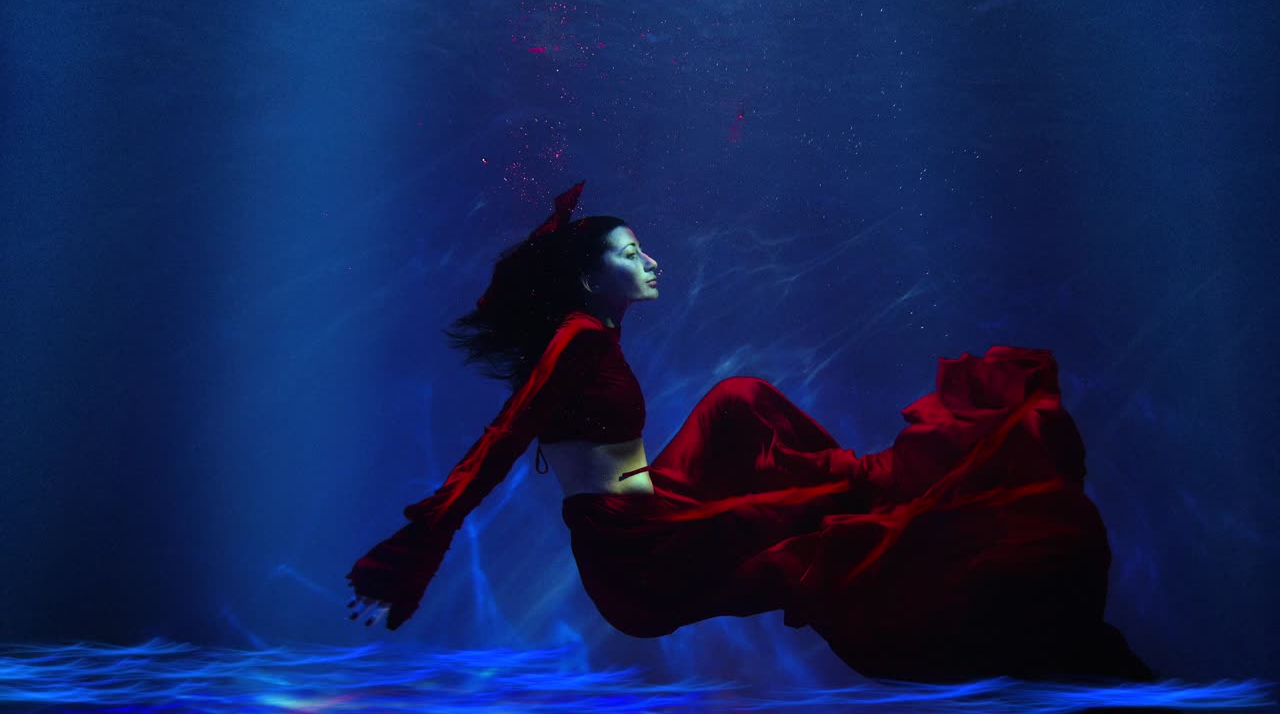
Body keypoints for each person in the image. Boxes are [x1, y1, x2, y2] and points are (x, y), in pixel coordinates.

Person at [344, 180, 1156, 684]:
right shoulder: (578, 339)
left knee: (737, 399)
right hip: (638, 558)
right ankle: (1020, 615)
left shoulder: (595, 332)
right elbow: (505, 436)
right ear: (594, 277)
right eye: (633, 252)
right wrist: (425, 541)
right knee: (823, 532)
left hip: (655, 507)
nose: (652, 260)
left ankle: (886, 478)